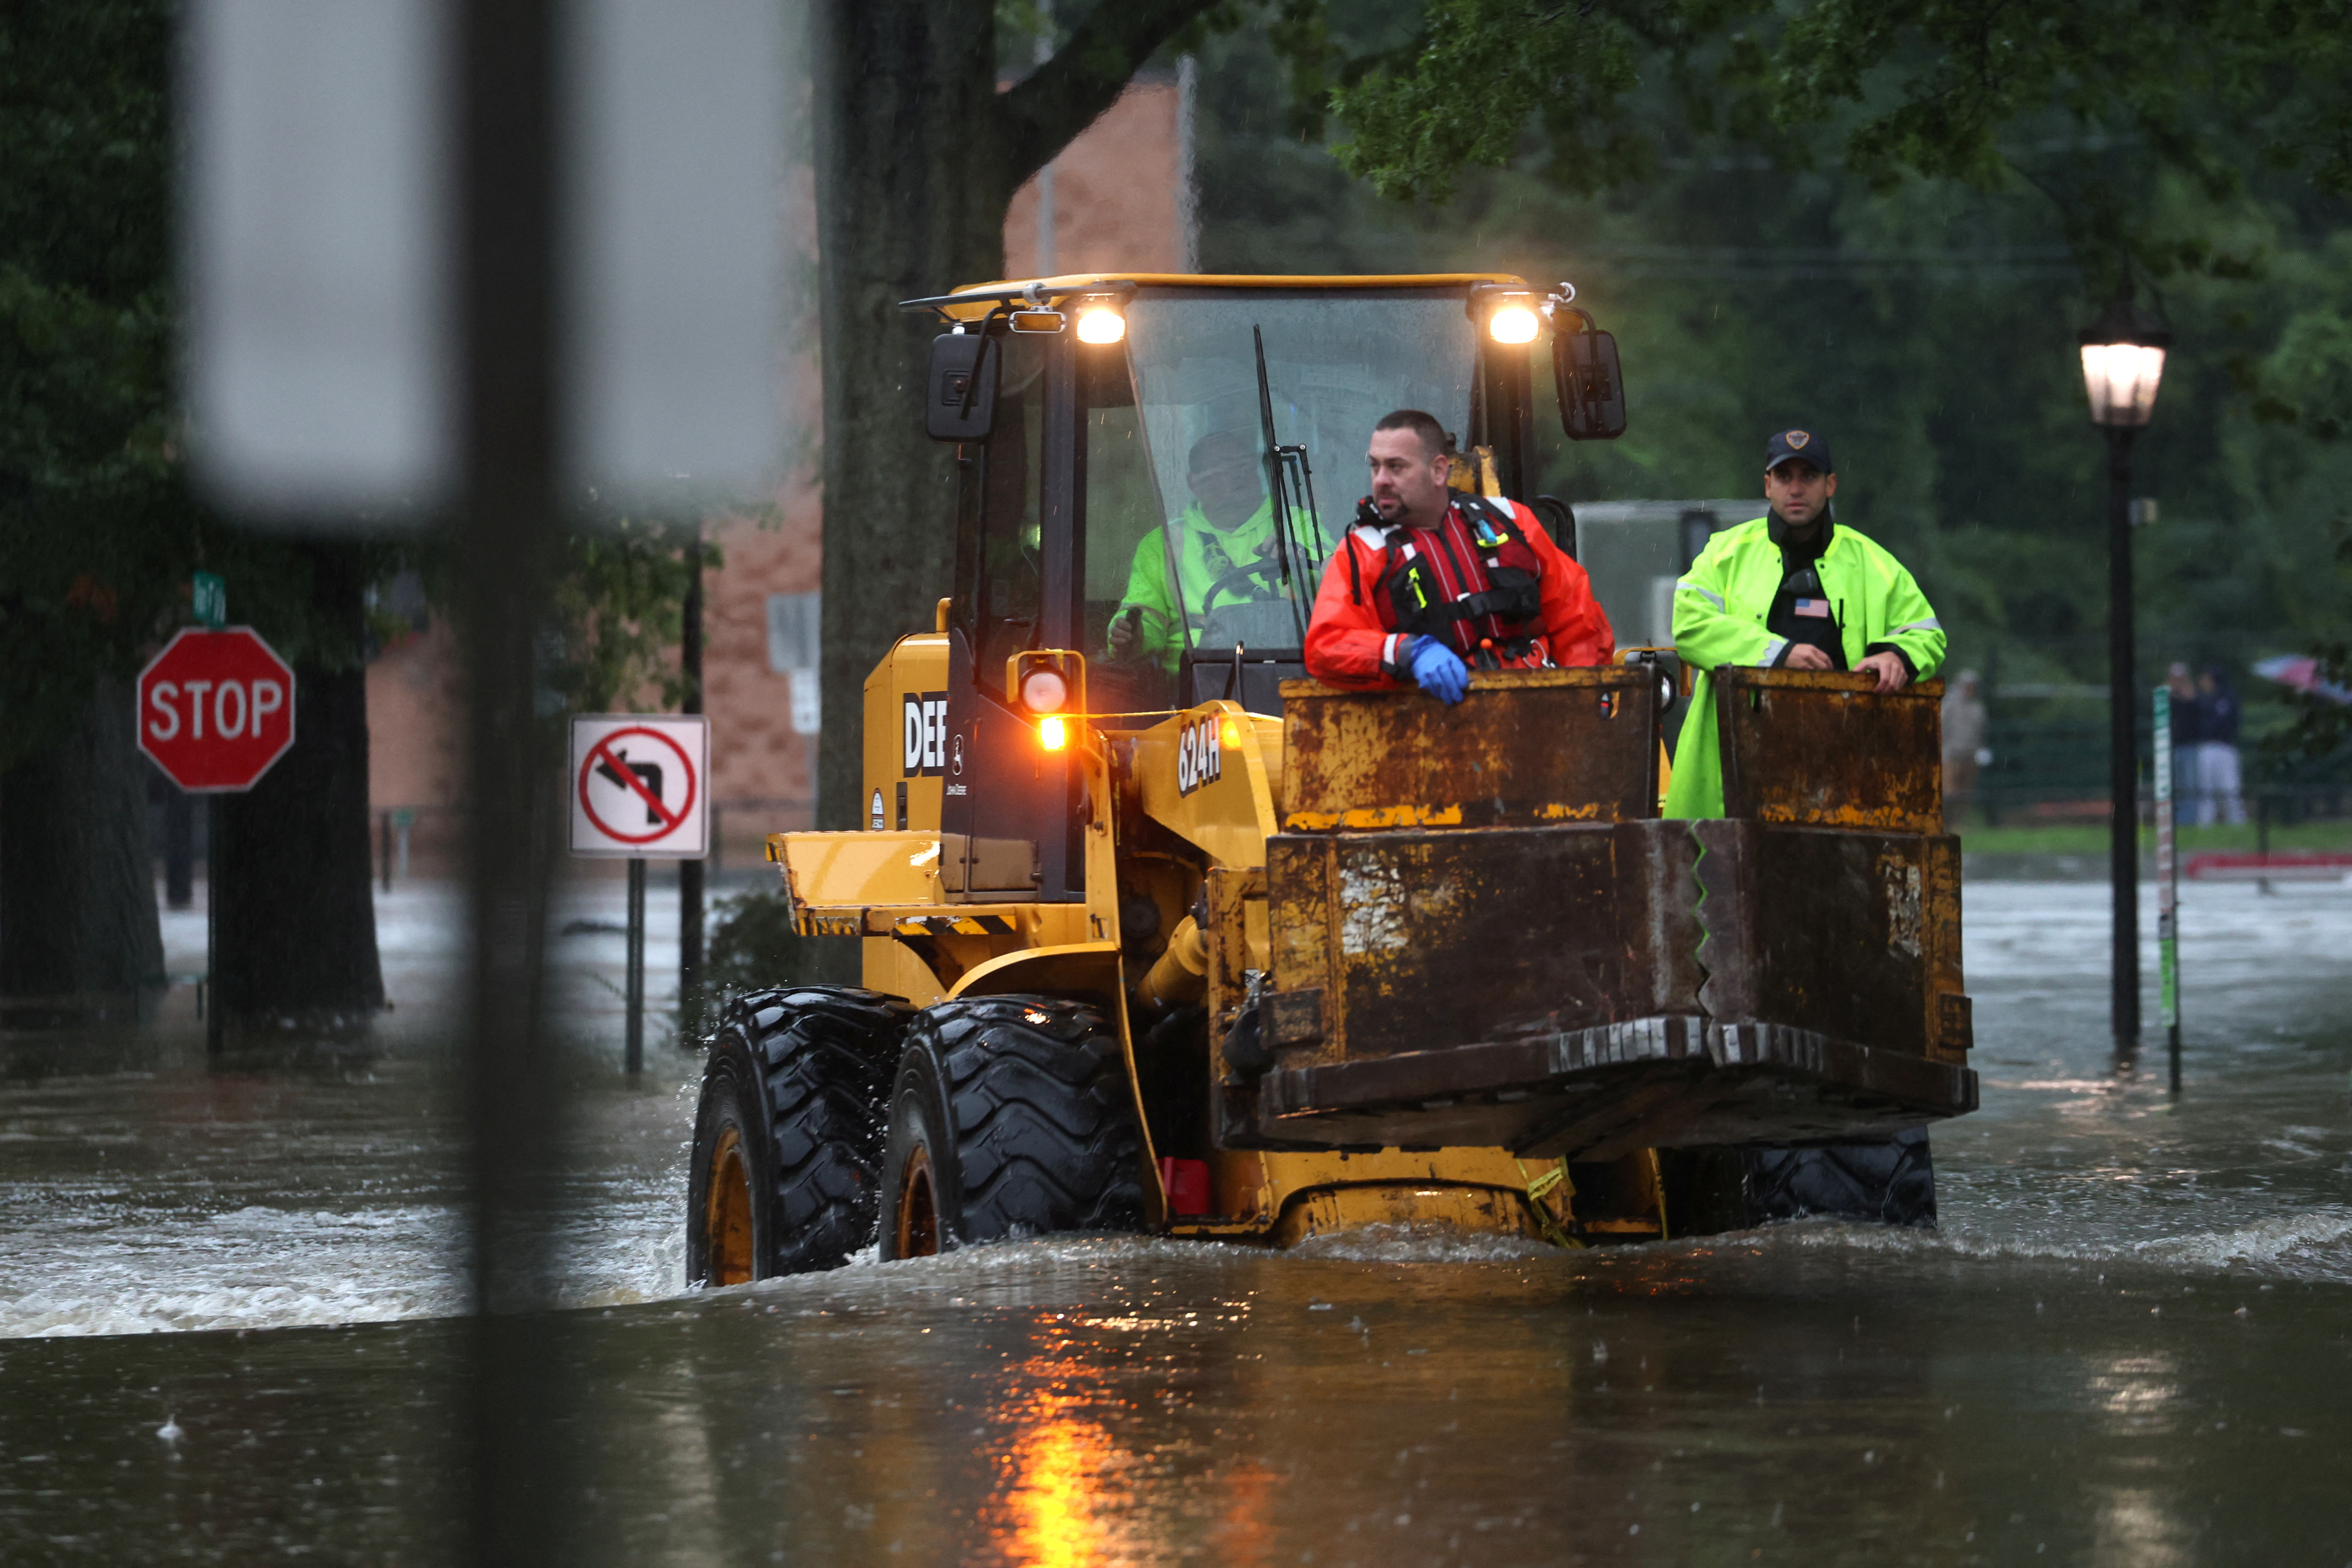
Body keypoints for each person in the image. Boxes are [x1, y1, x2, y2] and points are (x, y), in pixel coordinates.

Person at [1663, 428, 1946, 818]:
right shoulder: (1724, 553)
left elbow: (1925, 632)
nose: (1796, 489)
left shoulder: (1873, 562)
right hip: (1739, 765)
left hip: (1843, 765)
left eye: (1809, 476)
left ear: (1830, 485)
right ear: (1768, 485)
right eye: (1784, 477)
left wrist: (1896, 656)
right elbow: (1690, 626)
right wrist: (1778, 655)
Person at [1303, 409, 1612, 699]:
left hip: (1530, 708)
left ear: (1439, 471)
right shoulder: (1363, 551)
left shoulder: (1512, 522)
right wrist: (1407, 651)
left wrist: (1586, 692)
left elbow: (1577, 618)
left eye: (1396, 467)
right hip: (1424, 726)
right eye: (1375, 466)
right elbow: (1327, 647)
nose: (1381, 480)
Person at [1108, 429, 1279, 671]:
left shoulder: (1294, 526)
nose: (1241, 475)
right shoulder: (1164, 543)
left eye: (1245, 465)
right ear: (1195, 482)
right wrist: (1132, 635)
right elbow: (1145, 614)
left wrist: (1300, 558)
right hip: (1192, 679)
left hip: (1286, 668)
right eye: (1225, 468)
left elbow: (1333, 581)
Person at [2194, 664, 2246, 825]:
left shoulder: (2228, 698)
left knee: (2230, 787)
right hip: (2206, 747)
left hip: (2225, 747)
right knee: (2205, 788)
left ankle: (2236, 822)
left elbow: (2224, 724)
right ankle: (2205, 822)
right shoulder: (2203, 699)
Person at [1941, 669, 1987, 818]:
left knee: (1965, 793)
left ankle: (1959, 822)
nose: (1970, 689)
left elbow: (1980, 733)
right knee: (1949, 792)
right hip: (1950, 755)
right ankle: (1946, 822)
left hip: (1970, 756)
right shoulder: (1948, 705)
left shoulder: (1978, 708)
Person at [2165, 663, 2202, 818]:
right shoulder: (2167, 698)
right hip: (2172, 746)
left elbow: (2199, 715)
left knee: (2189, 784)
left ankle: (2189, 817)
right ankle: (2177, 817)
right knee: (2174, 784)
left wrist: (2190, 699)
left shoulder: (2193, 697)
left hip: (2189, 745)